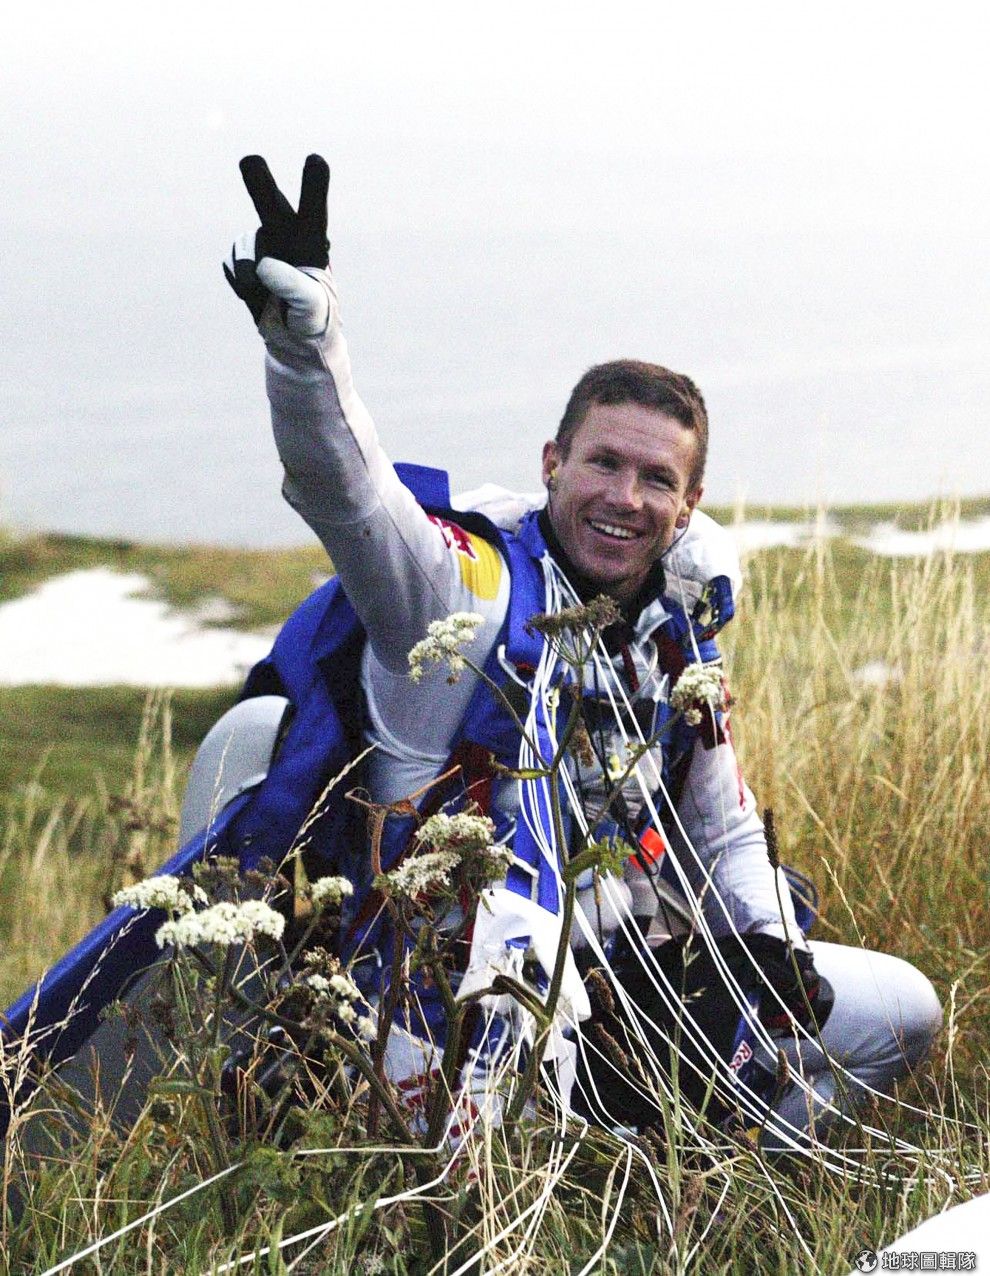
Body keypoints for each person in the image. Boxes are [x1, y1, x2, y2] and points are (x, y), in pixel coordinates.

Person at [221, 153, 941, 1146]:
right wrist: (307, 351)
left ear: (689, 503)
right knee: (508, 1144)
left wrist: (770, 945)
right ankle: (584, 1173)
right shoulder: (457, 595)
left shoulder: (674, 631)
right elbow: (347, 491)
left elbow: (723, 827)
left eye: (657, 479)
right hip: (445, 1016)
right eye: (603, 462)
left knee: (903, 1010)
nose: (624, 498)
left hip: (625, 985)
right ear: (553, 463)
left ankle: (714, 1192)